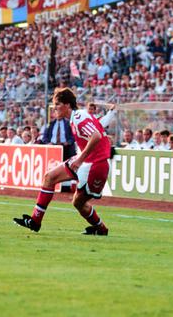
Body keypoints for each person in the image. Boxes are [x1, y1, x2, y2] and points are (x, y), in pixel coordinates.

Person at [14, 87, 111, 236]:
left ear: (67, 105)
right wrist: (112, 113)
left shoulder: (78, 117)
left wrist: (79, 159)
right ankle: (35, 221)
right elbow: (98, 128)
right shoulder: (77, 118)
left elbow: (96, 136)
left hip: (95, 165)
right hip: (86, 161)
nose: (54, 108)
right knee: (50, 177)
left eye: (57, 104)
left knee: (78, 202)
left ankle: (101, 229)